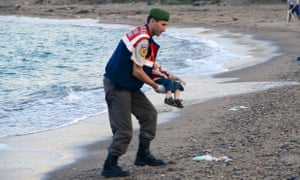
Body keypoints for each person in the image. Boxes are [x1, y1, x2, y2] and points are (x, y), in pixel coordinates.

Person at [101, 8, 170, 177]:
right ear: (152, 21)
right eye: (163, 24)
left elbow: (144, 64)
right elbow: (137, 71)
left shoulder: (143, 35)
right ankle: (110, 165)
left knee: (149, 115)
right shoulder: (143, 40)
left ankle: (142, 155)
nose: (164, 29)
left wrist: (164, 75)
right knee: (124, 130)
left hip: (129, 85)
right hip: (117, 86)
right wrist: (156, 86)